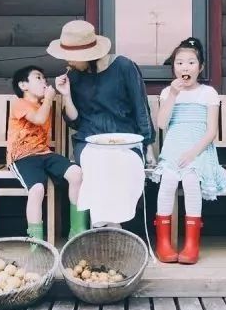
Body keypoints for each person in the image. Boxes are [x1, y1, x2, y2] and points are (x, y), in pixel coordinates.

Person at [47, 20, 155, 233]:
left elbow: (140, 107)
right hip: (89, 139)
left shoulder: (124, 67)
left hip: (127, 138)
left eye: (73, 57)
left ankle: (108, 227)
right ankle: (110, 227)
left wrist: (148, 146)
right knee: (96, 162)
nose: (68, 61)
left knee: (122, 163)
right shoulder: (74, 76)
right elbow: (75, 121)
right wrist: (66, 95)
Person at [152, 38, 226, 264]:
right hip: (174, 148)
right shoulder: (169, 92)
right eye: (179, 63)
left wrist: (193, 153)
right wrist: (173, 96)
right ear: (174, 67)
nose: (185, 68)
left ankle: (191, 244)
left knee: (190, 180)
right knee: (167, 181)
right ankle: (164, 244)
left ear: (200, 67)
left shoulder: (208, 93)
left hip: (199, 149)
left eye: (190, 63)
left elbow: (212, 131)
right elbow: (162, 124)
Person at [7, 65, 83, 241]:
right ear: (23, 86)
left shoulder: (42, 104)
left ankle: (77, 232)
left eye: (44, 78)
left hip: (44, 153)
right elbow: (39, 119)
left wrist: (61, 91)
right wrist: (49, 98)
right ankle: (36, 243)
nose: (44, 81)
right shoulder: (20, 104)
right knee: (37, 189)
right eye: (38, 78)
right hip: (22, 156)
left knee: (76, 173)